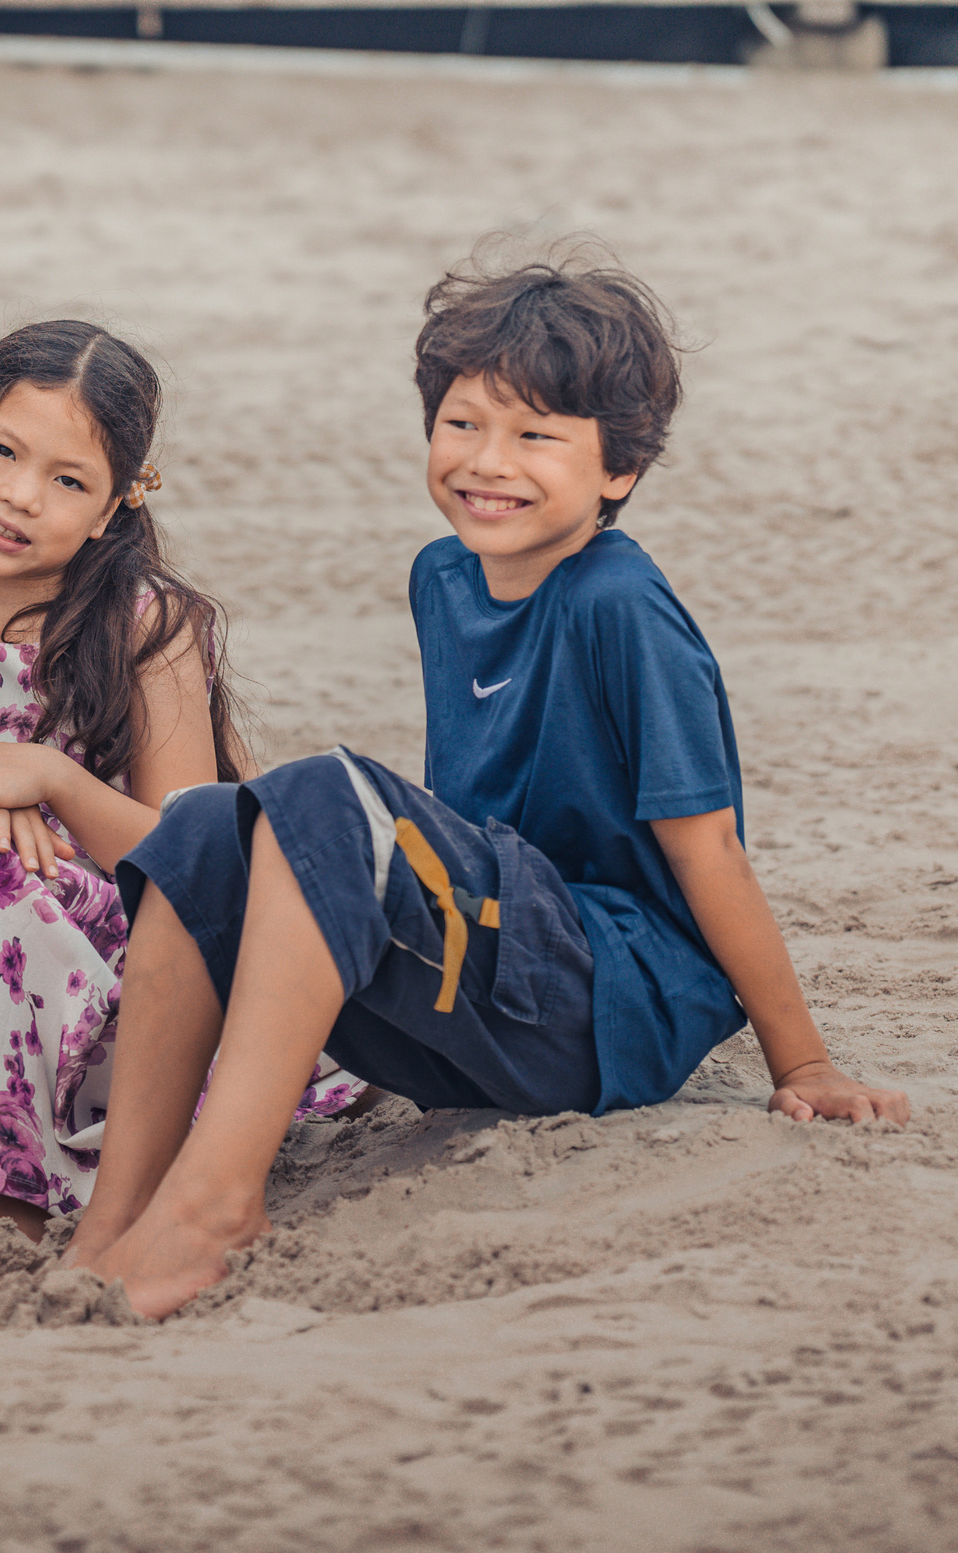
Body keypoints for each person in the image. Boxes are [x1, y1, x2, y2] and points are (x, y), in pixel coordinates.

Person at [62, 250, 912, 1320]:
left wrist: (807, 1059)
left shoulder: (620, 606)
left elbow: (709, 851)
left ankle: (218, 1205)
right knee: (205, 826)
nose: (487, 461)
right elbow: (461, 830)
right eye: (462, 424)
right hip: (498, 967)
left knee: (326, 793)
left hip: (607, 998)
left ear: (618, 471)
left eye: (535, 435)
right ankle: (115, 1213)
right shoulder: (443, 575)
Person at [0, 320, 367, 1270]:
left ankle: (0, 1194)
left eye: (69, 481)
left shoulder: (146, 625)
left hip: (83, 958)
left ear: (113, 510)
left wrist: (49, 778)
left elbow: (191, 858)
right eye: (2, 451)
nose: (20, 496)